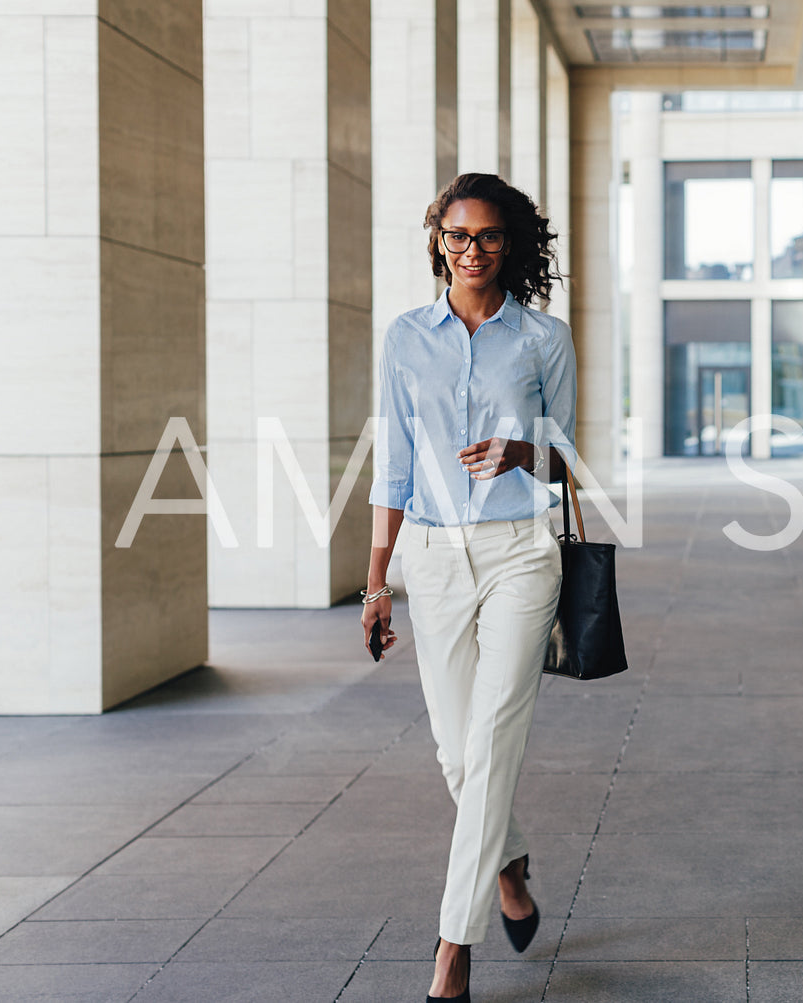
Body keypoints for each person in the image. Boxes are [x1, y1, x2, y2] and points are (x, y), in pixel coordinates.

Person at [359, 173, 574, 1003]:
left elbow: (571, 460)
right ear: (437, 242)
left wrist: (525, 453)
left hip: (521, 552)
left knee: (489, 743)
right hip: (434, 558)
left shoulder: (541, 338)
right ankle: (509, 865)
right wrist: (377, 583)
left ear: (509, 243)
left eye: (486, 236)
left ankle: (453, 946)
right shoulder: (406, 336)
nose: (471, 250)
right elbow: (395, 465)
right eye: (456, 235)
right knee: (457, 752)